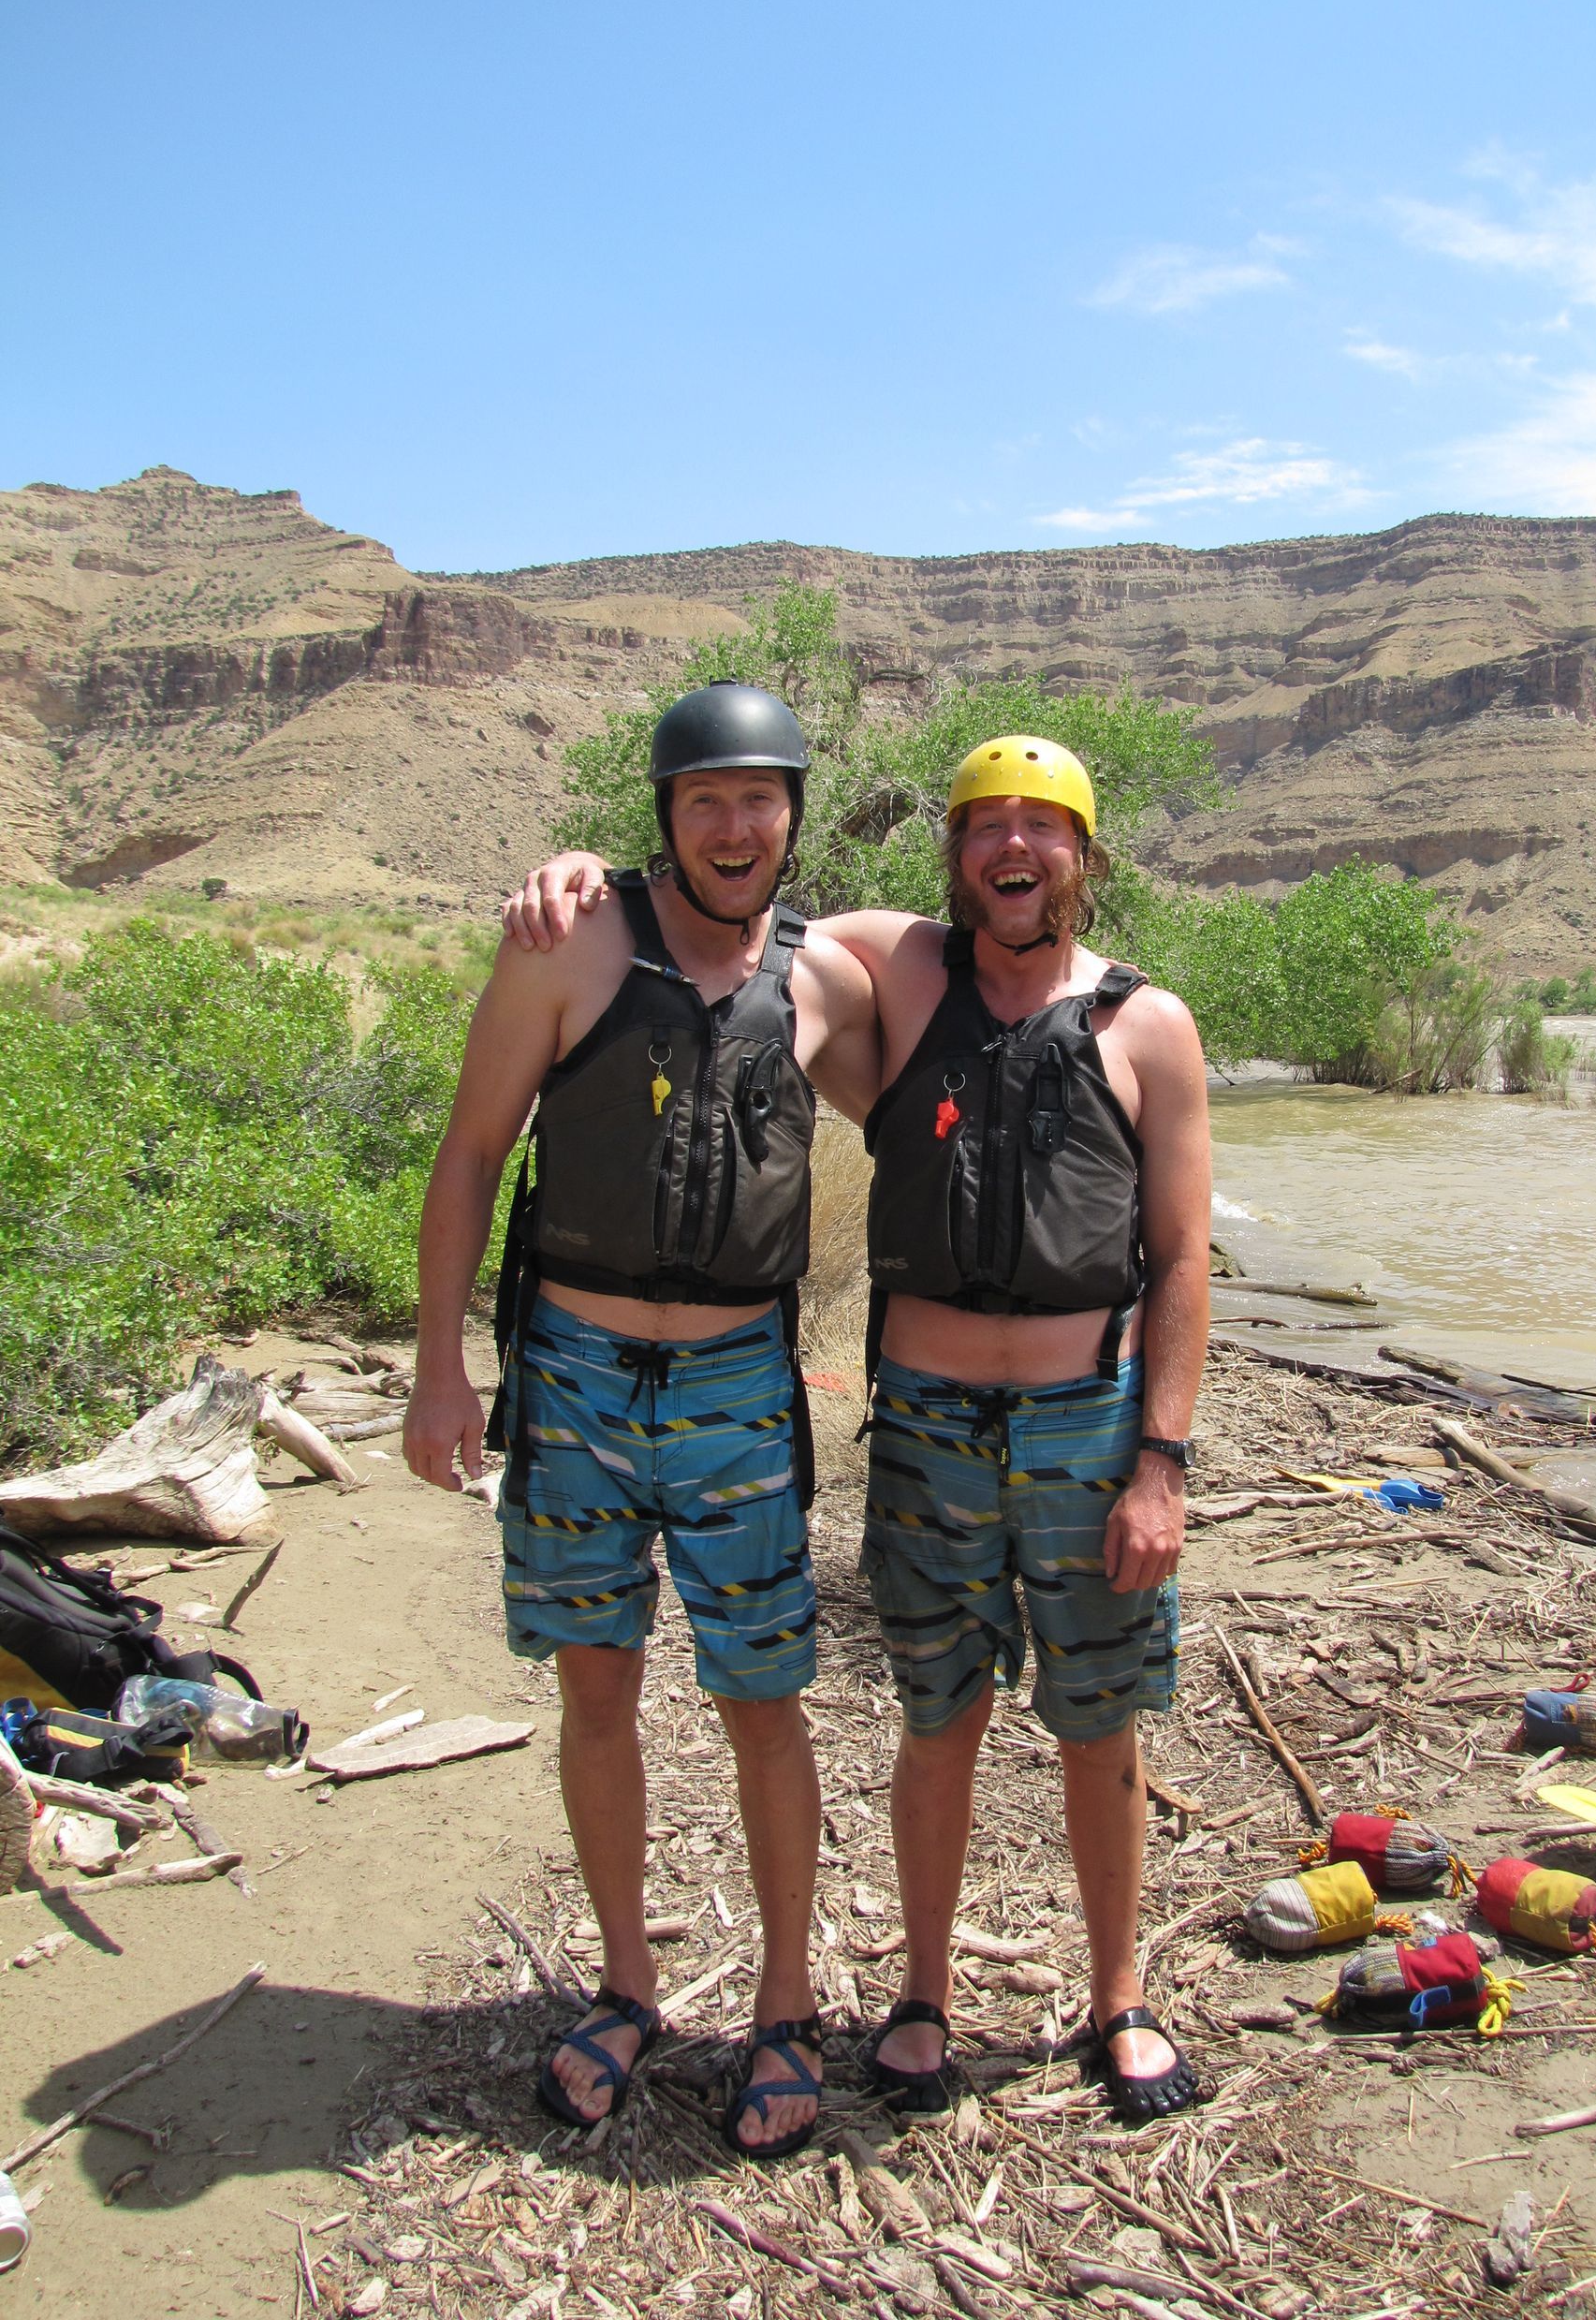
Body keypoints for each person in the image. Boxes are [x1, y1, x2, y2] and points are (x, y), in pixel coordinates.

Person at [504, 730, 1212, 2122]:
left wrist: (1161, 1464)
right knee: (934, 1714)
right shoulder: (896, 971)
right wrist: (588, 879)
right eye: (984, 825)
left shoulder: (1150, 1025)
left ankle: (1119, 1998)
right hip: (929, 1422)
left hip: (1088, 1421)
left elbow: (1182, 1258)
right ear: (950, 851)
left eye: (1044, 826)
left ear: (1087, 853)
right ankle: (924, 1995)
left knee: (1102, 1722)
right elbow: (723, 903)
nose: (1014, 849)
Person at [407, 683, 878, 2160]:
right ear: (665, 815)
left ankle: (786, 2007)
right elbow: (473, 1154)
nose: (735, 828)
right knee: (595, 1689)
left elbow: (974, 1046)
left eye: (760, 800)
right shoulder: (571, 942)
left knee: (763, 1699)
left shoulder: (830, 978)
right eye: (704, 801)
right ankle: (627, 1988)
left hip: (743, 1386)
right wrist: (438, 1368)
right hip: (579, 1377)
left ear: (795, 814)